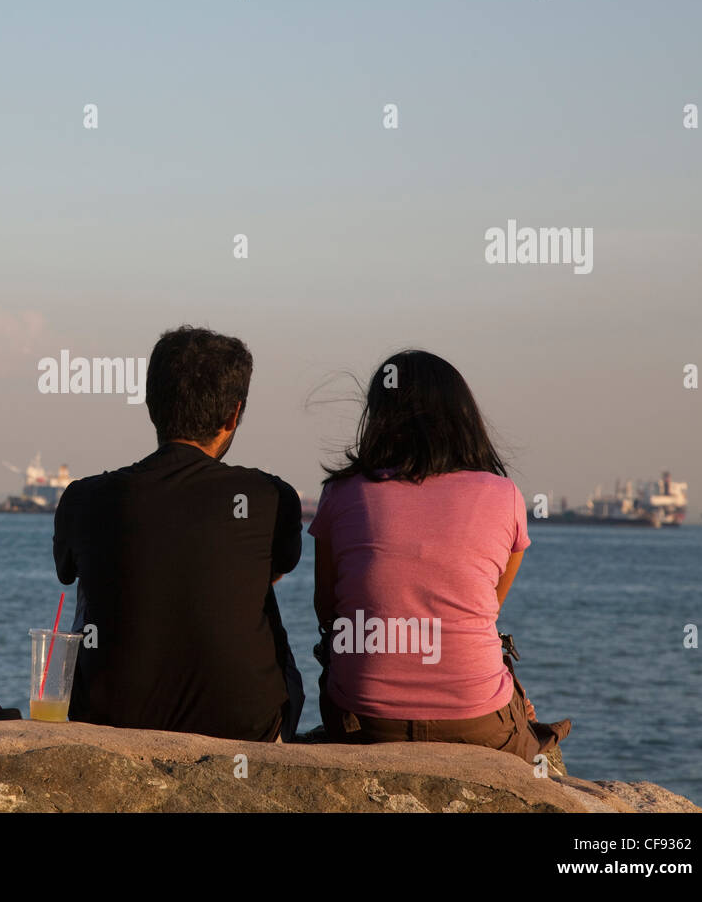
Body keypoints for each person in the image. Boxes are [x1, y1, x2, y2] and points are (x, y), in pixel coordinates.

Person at [307, 350, 570, 763]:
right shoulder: (504, 496)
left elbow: (328, 610)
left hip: (364, 718)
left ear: (379, 418)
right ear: (463, 416)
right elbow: (488, 608)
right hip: (478, 722)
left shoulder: (341, 493)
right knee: (525, 718)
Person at [53, 326, 304, 742]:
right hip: (251, 728)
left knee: (93, 580)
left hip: (105, 721)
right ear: (233, 414)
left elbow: (67, 572)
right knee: (252, 577)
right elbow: (277, 568)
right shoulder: (272, 497)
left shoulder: (83, 498)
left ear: (151, 405)